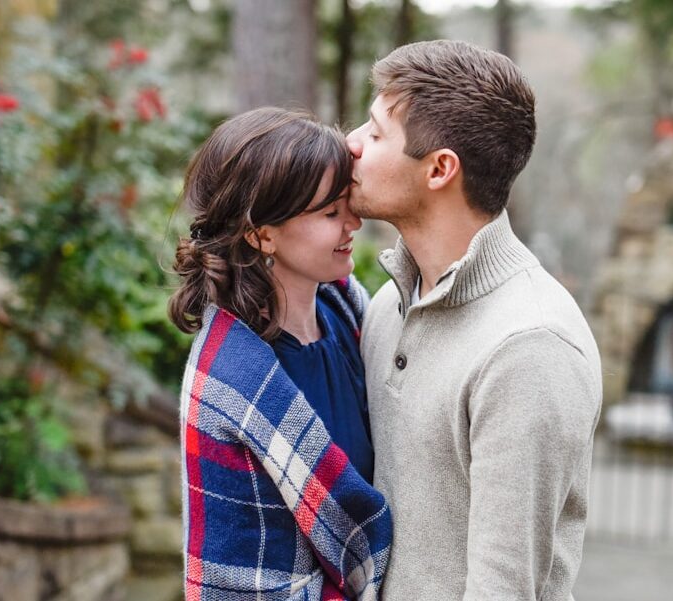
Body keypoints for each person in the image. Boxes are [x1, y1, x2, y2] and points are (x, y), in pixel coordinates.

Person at [346, 40, 602, 600]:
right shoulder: (388, 304)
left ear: (440, 169)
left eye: (375, 132)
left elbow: (504, 590)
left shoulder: (530, 346)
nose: (351, 144)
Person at [169, 107, 392, 601]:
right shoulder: (232, 379)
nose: (354, 221)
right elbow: (240, 575)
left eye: (346, 203)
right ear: (262, 233)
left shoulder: (352, 315)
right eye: (330, 213)